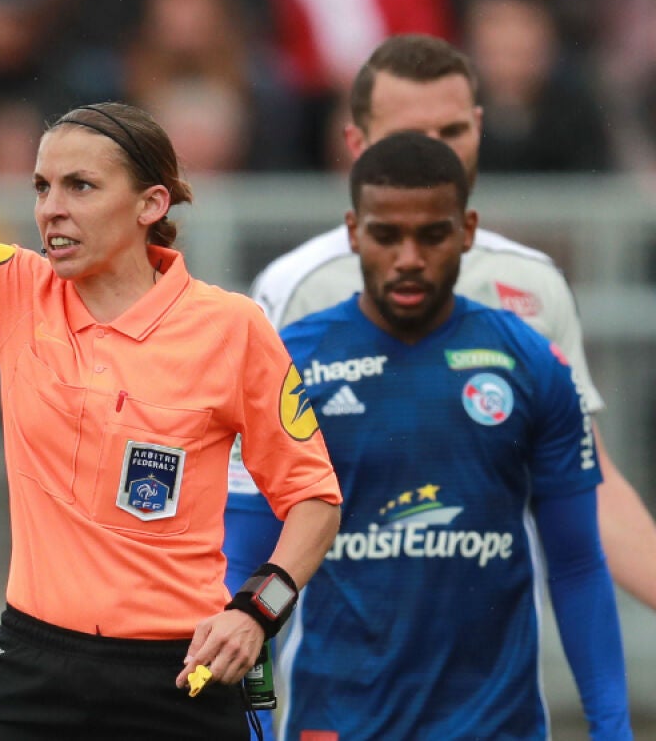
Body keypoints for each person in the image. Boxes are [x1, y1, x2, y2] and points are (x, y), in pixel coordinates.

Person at [0, 0, 342, 739]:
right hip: (33, 668)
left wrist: (257, 611)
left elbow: (314, 497)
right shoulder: (14, 289)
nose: (51, 207)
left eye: (80, 186)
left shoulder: (232, 328)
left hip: (176, 678)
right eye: (42, 187)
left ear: (151, 204)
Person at [231, 33, 656, 612]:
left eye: (453, 131)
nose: (439, 155)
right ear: (356, 143)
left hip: (492, 648)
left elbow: (590, 485)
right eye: (411, 136)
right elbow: (255, 498)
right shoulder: (298, 289)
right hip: (343, 649)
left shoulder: (531, 283)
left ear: (479, 127)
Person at [226, 133, 631, 739]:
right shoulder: (292, 366)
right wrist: (253, 724)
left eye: (432, 235)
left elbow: (577, 564)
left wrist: (613, 729)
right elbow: (244, 569)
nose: (409, 257)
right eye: (387, 235)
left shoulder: (531, 363)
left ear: (467, 231)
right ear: (353, 232)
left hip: (497, 727)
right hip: (336, 723)